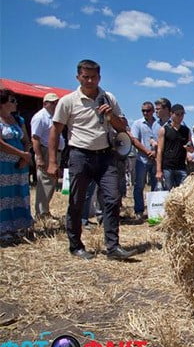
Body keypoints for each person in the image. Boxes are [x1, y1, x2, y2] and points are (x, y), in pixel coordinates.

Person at [47, 59, 136, 260]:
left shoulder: (108, 98)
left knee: (112, 200)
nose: (89, 81)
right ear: (78, 77)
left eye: (93, 77)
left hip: (105, 156)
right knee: (77, 202)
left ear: (99, 77)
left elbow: (122, 127)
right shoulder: (68, 101)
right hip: (79, 155)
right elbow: (55, 131)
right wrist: (52, 161)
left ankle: (113, 247)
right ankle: (76, 246)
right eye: (85, 77)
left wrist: (111, 115)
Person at [0, 89, 33, 242]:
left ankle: (17, 226)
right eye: (12, 100)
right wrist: (21, 154)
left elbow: (26, 140)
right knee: (3, 196)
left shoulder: (19, 120)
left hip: (19, 165)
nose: (16, 103)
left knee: (17, 193)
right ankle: (3, 229)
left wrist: (26, 155)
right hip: (3, 165)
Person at [31, 93, 66, 219]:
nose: (55, 105)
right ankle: (41, 212)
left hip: (55, 152)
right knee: (45, 182)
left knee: (51, 182)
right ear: (45, 103)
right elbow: (35, 138)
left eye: (57, 102)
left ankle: (45, 210)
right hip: (45, 151)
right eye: (52, 102)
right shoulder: (40, 117)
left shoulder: (53, 117)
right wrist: (39, 157)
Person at [130, 101, 160, 219]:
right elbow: (135, 140)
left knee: (155, 186)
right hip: (141, 159)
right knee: (139, 186)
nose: (145, 113)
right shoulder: (137, 124)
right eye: (143, 111)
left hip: (156, 159)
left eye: (148, 110)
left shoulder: (159, 124)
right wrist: (147, 152)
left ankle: (154, 211)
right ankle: (139, 211)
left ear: (153, 111)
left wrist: (155, 153)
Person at [156, 104, 194, 190]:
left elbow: (192, 149)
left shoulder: (186, 131)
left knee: (183, 192)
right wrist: (158, 170)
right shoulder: (164, 130)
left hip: (181, 167)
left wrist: (190, 148)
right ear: (171, 114)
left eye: (182, 114)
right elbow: (159, 150)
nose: (180, 117)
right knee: (167, 192)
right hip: (167, 168)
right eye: (177, 114)